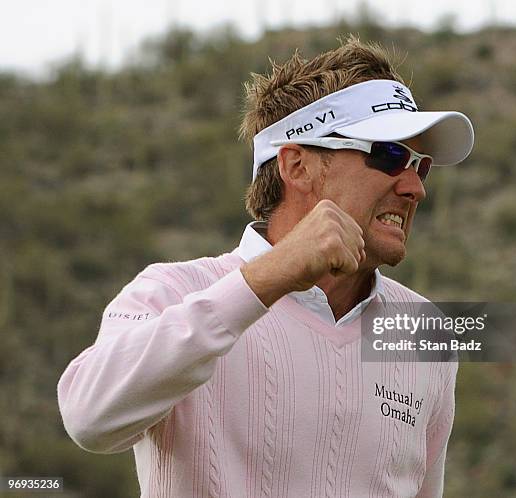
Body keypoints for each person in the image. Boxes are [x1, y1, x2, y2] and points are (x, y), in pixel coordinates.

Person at [58, 37, 474, 497]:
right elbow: (89, 419)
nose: (415, 186)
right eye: (390, 155)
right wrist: (266, 277)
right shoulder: (172, 289)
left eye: (422, 164)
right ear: (297, 166)